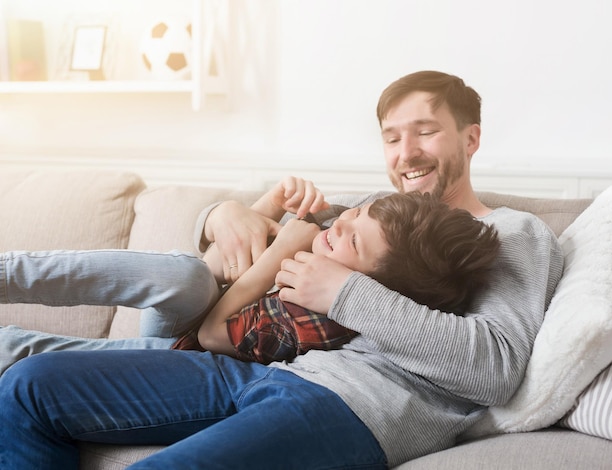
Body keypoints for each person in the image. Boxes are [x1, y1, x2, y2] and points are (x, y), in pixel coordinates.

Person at [0, 70, 564, 470]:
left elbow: (495, 365)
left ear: (471, 139)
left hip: (355, 405)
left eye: (425, 131)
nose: (406, 152)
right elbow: (268, 225)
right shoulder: (369, 208)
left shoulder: (512, 233)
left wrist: (342, 291)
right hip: (260, 368)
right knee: (26, 386)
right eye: (392, 137)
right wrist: (222, 214)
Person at [0, 178, 498, 370]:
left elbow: (213, 334)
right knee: (189, 279)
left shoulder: (322, 319)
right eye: (349, 218)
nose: (337, 225)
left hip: (191, 353)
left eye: (350, 236)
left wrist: (279, 248)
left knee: (154, 345)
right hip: (195, 298)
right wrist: (262, 207)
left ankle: (11, 347)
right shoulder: (338, 233)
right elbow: (217, 260)